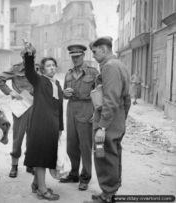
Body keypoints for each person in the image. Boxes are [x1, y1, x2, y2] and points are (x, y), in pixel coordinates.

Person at [87, 37, 131, 203]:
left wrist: (102, 126)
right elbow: (126, 99)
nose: (93, 55)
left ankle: (107, 195)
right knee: (112, 155)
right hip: (115, 118)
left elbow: (110, 99)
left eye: (95, 51)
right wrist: (121, 118)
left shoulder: (110, 67)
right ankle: (110, 192)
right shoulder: (119, 64)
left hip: (108, 121)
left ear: (104, 50)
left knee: (104, 156)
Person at [23, 42, 63, 201]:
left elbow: (59, 107)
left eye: (53, 65)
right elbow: (29, 71)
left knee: (46, 155)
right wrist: (29, 55)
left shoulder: (57, 84)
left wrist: (60, 127)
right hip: (40, 125)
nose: (52, 68)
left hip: (52, 127)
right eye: (48, 66)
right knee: (41, 156)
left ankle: (36, 184)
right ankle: (42, 189)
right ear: (43, 69)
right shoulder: (39, 81)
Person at [60, 44, 98, 191]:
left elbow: (99, 94)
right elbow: (63, 94)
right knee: (71, 145)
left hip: (86, 107)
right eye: (73, 57)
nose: (75, 59)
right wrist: (65, 94)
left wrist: (96, 113)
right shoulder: (68, 74)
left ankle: (85, 177)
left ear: (83, 56)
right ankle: (74, 173)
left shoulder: (93, 72)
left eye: (78, 56)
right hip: (71, 109)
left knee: (85, 146)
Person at [0, 56, 34, 178]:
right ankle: (14, 165)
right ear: (22, 57)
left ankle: (30, 163)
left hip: (34, 105)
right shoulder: (15, 68)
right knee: (18, 136)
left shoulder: (37, 68)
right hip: (20, 106)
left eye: (32, 56)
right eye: (27, 56)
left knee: (33, 136)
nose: (29, 58)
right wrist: (10, 92)